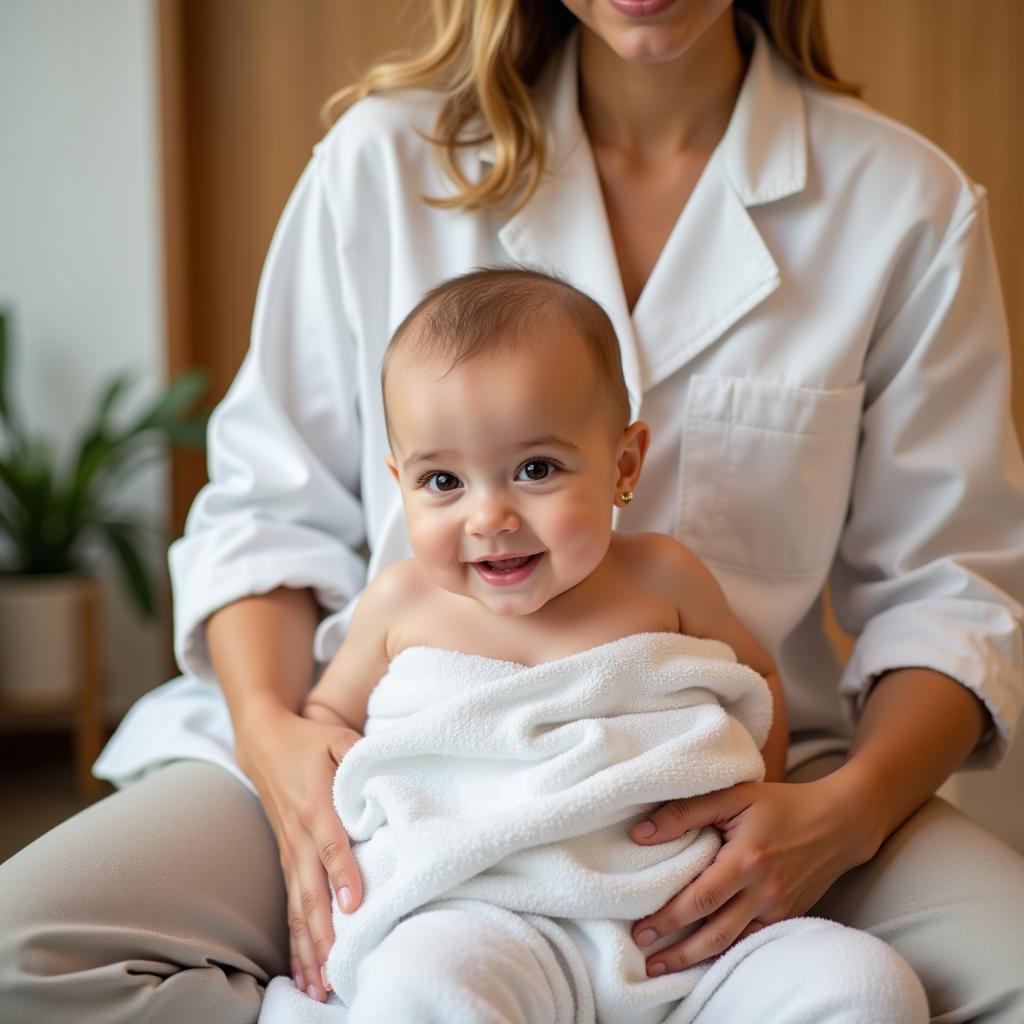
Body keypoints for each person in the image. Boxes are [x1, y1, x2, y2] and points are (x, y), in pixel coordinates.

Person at [1, 0, 1022, 1021]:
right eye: (445, 482)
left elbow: (949, 591)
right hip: (401, 755)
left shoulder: (903, 203)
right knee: (24, 954)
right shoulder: (379, 161)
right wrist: (276, 740)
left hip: (729, 783)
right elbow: (264, 513)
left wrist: (844, 814)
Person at [259, 263, 927, 1021]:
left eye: (534, 469)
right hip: (481, 913)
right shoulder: (398, 605)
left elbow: (755, 681)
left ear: (624, 464)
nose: (488, 516)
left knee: (865, 986)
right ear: (398, 481)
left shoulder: (663, 579)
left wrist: (755, 806)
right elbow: (328, 726)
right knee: (421, 987)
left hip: (687, 923)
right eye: (442, 482)